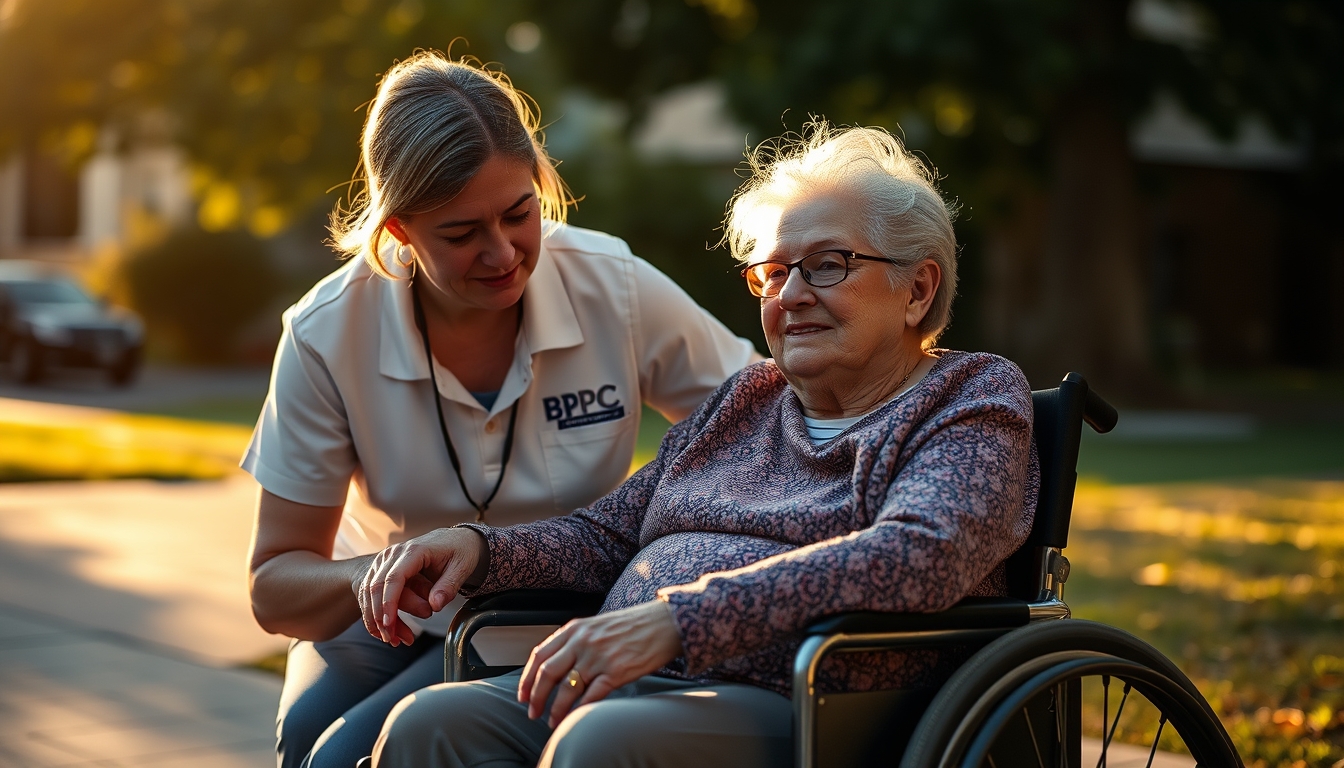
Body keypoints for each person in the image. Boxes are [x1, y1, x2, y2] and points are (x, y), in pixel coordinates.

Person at [361, 121, 1041, 768]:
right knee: (430, 725)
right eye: (774, 273)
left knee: (602, 743)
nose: (792, 295)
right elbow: (607, 536)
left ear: (916, 289)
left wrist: (684, 620)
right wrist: (477, 548)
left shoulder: (968, 395)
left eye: (827, 265)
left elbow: (922, 553)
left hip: (820, 704)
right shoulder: (746, 398)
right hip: (640, 682)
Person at [242, 51, 758, 768]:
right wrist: (375, 576)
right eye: (459, 234)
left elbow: (766, 419)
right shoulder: (326, 331)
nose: (503, 253)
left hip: (548, 605)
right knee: (306, 738)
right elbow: (275, 587)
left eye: (520, 214)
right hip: (379, 616)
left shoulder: (614, 286)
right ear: (398, 234)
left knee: (341, 758)